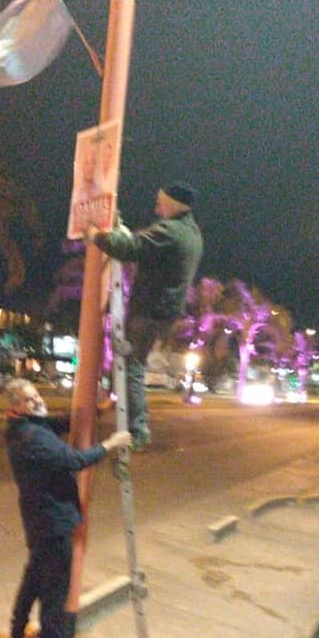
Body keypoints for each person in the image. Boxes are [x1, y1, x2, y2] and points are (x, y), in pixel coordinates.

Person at [2, 378, 131, 638]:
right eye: (29, 400)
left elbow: (57, 424)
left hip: (39, 521)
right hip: (52, 522)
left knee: (33, 581)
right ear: (16, 407)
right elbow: (74, 459)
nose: (36, 401)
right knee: (56, 587)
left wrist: (96, 410)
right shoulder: (31, 437)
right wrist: (109, 445)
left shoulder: (23, 427)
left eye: (36, 395)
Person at [86, 182, 203, 449]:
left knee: (133, 365)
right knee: (127, 359)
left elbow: (131, 248)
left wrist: (96, 235)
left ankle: (138, 430)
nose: (156, 206)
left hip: (150, 310)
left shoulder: (171, 231)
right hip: (163, 311)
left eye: (160, 200)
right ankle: (115, 400)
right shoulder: (190, 232)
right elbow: (144, 242)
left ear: (173, 202)